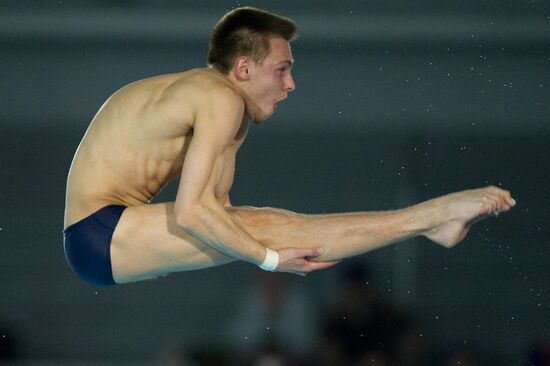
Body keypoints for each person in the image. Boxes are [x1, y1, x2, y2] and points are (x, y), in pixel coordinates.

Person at [63, 6, 516, 286]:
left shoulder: (212, 102)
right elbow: (192, 213)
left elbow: (216, 209)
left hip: (102, 233)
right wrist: (269, 260)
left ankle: (426, 223)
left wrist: (266, 242)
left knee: (264, 224)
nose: (291, 84)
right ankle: (430, 218)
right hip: (99, 233)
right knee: (263, 233)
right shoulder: (219, 98)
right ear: (243, 69)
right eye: (281, 69)